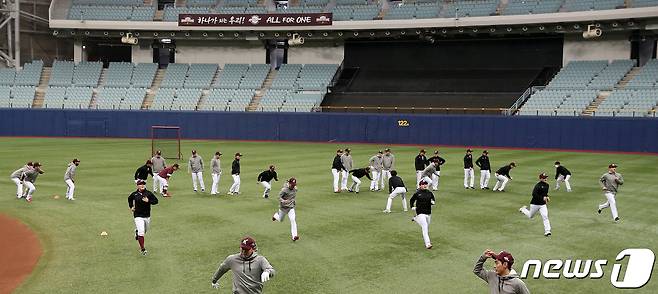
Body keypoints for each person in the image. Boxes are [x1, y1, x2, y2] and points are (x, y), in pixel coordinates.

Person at [211, 237, 275, 293]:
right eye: (242, 248)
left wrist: (267, 272)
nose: (243, 252)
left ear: (253, 249)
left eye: (246, 250)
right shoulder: (232, 259)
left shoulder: (260, 260)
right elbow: (222, 269)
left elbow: (271, 270)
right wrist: (214, 280)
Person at [128, 180, 159, 256]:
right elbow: (129, 199)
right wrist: (131, 207)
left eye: (143, 184)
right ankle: (142, 249)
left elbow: (156, 201)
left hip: (147, 216)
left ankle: (137, 232)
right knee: (141, 233)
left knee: (144, 231)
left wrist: (148, 201)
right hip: (138, 216)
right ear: (137, 186)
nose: (142, 185)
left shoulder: (148, 193)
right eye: (140, 184)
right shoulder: (134, 194)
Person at [410, 180, 436, 249]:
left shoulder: (429, 193)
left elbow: (433, 199)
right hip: (420, 212)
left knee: (427, 225)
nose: (424, 185)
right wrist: (412, 206)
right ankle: (428, 244)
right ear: (420, 185)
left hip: (428, 212)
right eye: (423, 184)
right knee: (425, 228)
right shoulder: (417, 193)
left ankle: (415, 218)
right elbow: (412, 200)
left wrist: (433, 202)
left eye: (425, 184)